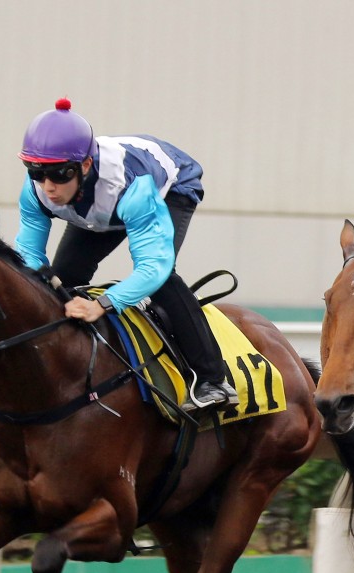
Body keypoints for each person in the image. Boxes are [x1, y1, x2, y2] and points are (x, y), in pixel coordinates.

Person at [14, 98, 235, 411]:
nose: (48, 187)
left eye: (59, 174)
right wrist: (46, 278)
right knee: (64, 278)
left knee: (162, 282)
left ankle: (213, 381)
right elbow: (28, 258)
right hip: (99, 201)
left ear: (85, 166)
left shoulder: (134, 189)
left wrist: (103, 304)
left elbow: (153, 267)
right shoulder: (36, 190)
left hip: (167, 188)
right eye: (37, 173)